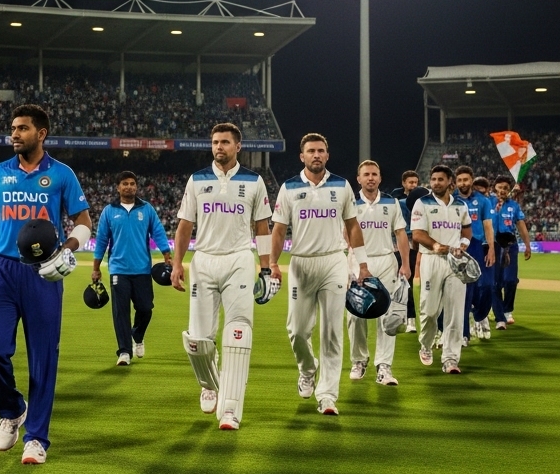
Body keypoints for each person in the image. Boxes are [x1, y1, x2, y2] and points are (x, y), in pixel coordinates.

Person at [0, 104, 91, 465]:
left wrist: (68, 247)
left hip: (43, 273)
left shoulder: (62, 175)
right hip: (3, 270)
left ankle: (37, 438)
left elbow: (84, 220)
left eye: (22, 129)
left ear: (41, 134)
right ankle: (13, 410)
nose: (14, 134)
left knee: (43, 359)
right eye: (12, 128)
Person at [172, 122, 275, 430]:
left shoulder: (255, 181)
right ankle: (208, 383)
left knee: (237, 334)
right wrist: (178, 264)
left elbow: (262, 229)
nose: (219, 147)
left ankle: (230, 409)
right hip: (203, 260)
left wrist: (267, 267)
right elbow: (184, 226)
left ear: (237, 146)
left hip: (240, 259)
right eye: (215, 142)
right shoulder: (197, 179)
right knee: (199, 338)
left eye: (225, 142)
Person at [268, 134, 369, 415]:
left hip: (333, 262)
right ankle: (307, 368)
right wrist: (272, 264)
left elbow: (352, 225)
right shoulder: (288, 188)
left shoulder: (342, 185)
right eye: (310, 151)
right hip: (301, 263)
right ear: (302, 156)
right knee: (297, 330)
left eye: (321, 151)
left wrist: (361, 264)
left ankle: (327, 395)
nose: (316, 155)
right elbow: (278, 230)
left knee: (332, 331)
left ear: (327, 155)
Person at [91, 170, 173, 366]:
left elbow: (159, 233)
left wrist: (167, 255)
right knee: (120, 312)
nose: (129, 186)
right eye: (125, 183)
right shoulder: (109, 211)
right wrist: (96, 268)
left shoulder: (146, 209)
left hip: (143, 269)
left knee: (146, 308)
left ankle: (137, 334)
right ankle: (124, 352)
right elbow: (101, 241)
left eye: (132, 183)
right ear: (118, 187)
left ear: (136, 187)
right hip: (119, 270)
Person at [347, 160, 411, 386]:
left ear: (380, 178)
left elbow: (401, 234)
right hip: (357, 262)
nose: (371, 178)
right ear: (359, 178)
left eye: (375, 174)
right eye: (366, 174)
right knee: (355, 315)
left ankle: (384, 366)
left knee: (387, 315)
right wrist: (349, 264)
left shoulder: (392, 203)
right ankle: (359, 360)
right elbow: (344, 235)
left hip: (385, 260)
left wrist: (405, 264)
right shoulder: (350, 202)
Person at [412, 165, 473, 374]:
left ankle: (450, 359)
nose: (436, 183)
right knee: (429, 311)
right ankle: (426, 344)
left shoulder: (460, 205)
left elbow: (467, 229)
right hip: (432, 259)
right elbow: (418, 234)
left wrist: (463, 244)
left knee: (455, 312)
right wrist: (438, 246)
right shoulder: (422, 203)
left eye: (440, 179)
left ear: (450, 182)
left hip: (455, 262)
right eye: (433, 179)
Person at [453, 166, 496, 344]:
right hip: (457, 246)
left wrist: (491, 248)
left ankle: (478, 315)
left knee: (486, 286)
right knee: (463, 292)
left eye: (466, 179)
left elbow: (487, 226)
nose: (463, 183)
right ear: (456, 182)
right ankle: (464, 334)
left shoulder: (483, 201)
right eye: (460, 180)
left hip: (478, 245)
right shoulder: (451, 200)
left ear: (471, 180)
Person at [491, 174, 532, 328]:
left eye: (506, 188)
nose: (502, 190)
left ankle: (507, 310)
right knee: (494, 283)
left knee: (510, 280)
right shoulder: (488, 203)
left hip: (510, 246)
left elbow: (521, 225)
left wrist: (527, 245)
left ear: (509, 190)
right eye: (500, 187)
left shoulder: (514, 206)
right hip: (492, 246)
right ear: (494, 188)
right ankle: (499, 314)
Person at [391, 170, 422, 333]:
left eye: (416, 182)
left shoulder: (423, 201)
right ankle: (405, 318)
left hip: (418, 244)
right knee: (401, 283)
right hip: (402, 244)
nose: (413, 185)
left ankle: (411, 319)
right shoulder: (398, 202)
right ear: (404, 183)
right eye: (410, 182)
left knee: (409, 283)